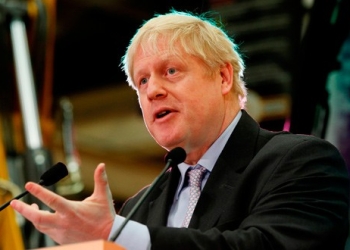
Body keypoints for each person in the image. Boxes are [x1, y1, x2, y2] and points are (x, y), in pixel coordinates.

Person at [10, 10, 349, 249]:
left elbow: (264, 246)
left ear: (223, 77)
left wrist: (118, 235)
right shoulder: (138, 207)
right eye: (142, 81)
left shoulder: (300, 161)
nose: (152, 90)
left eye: (170, 71)